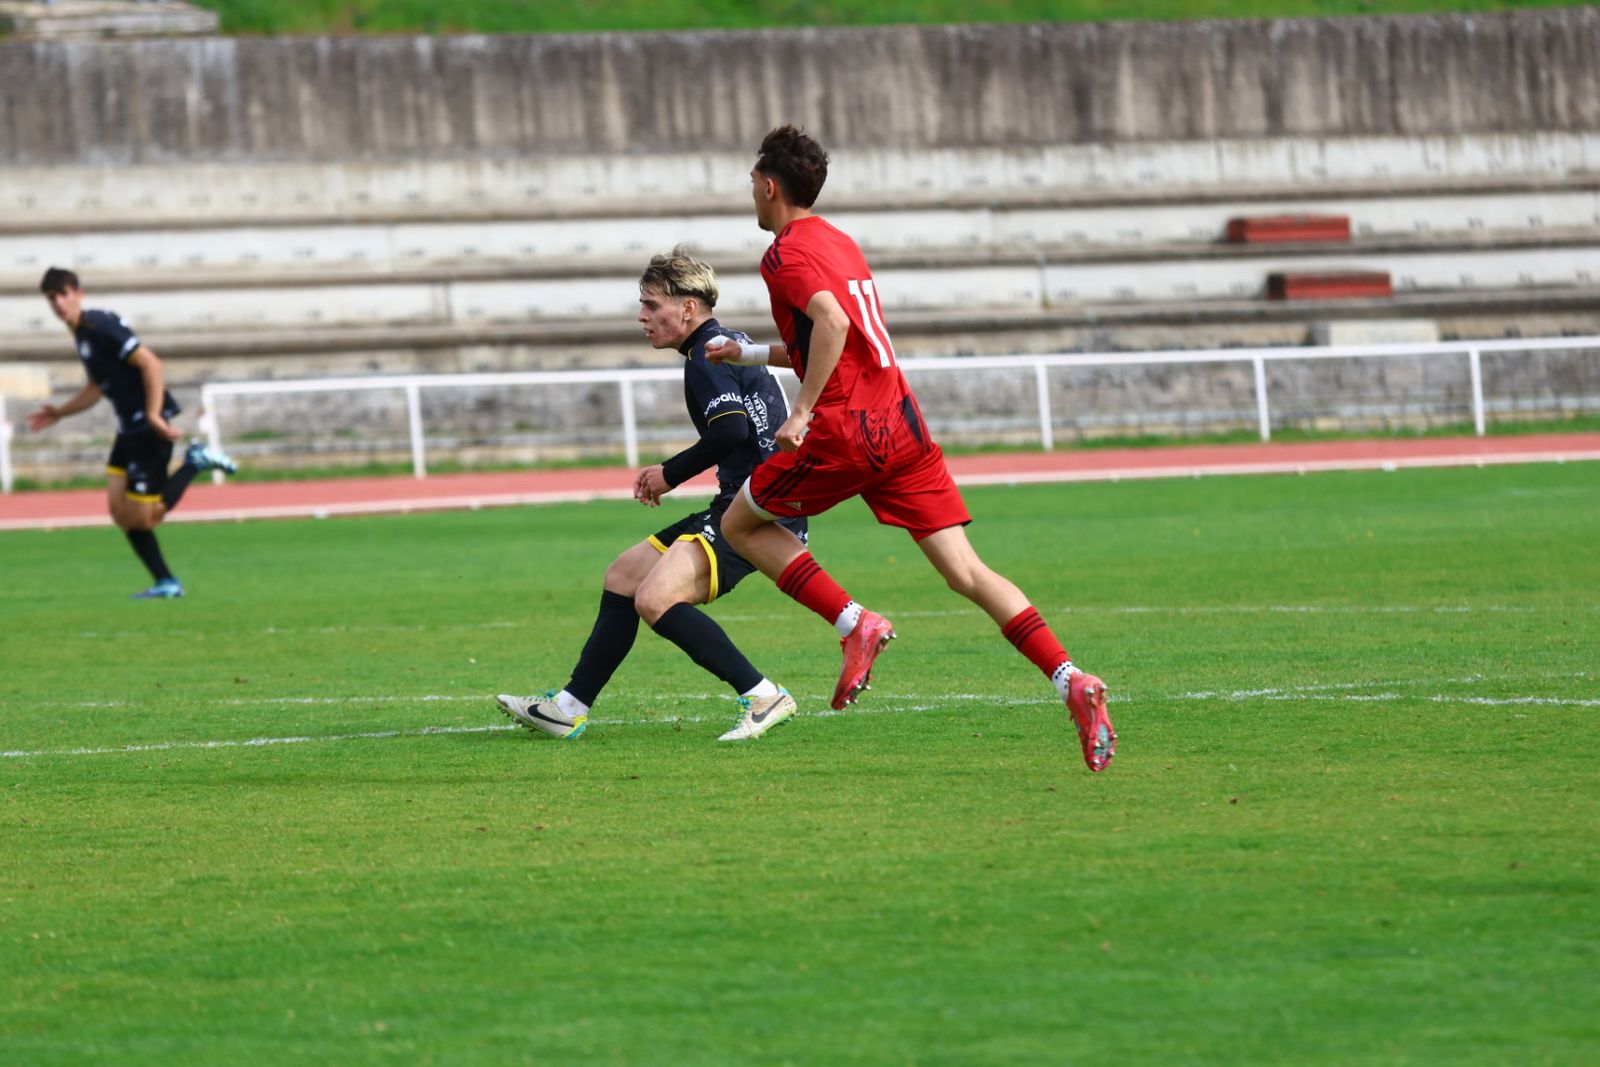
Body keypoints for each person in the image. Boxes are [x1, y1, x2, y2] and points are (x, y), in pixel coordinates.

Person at [706, 126, 1117, 771]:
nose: (751, 193)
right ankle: (1071, 679)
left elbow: (834, 325)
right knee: (966, 573)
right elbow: (836, 340)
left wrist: (803, 411)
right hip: (900, 423)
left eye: (753, 183)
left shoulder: (783, 254)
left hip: (845, 430)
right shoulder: (840, 242)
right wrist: (748, 353)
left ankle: (855, 623)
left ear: (769, 187)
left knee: (739, 524)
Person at [495, 247, 808, 743]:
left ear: (688, 307)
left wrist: (669, 474)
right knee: (624, 576)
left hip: (755, 511)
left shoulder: (706, 356)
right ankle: (569, 708)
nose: (642, 316)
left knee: (656, 599)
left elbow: (731, 430)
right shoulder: (727, 341)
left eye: (651, 304)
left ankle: (763, 694)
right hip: (753, 501)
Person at [26, 267, 237, 599]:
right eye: (51, 298)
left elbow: (151, 363)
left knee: (145, 519)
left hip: (148, 426)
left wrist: (153, 413)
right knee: (119, 512)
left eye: (63, 295)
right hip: (128, 429)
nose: (58, 303)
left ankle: (193, 463)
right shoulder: (81, 334)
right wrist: (60, 412)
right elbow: (96, 387)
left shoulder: (100, 325)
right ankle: (166, 582)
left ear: (78, 293)